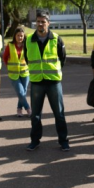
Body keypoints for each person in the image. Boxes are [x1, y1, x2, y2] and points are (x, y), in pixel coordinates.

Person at [24, 11, 70, 151]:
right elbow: (27, 58)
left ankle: (63, 141)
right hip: (37, 82)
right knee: (35, 115)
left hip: (53, 82)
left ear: (48, 23)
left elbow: (62, 59)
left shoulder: (56, 39)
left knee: (59, 114)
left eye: (43, 21)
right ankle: (35, 141)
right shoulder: (29, 39)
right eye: (38, 21)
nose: (40, 24)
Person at [3, 26, 31, 117]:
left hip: (25, 72)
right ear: (15, 36)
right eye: (18, 35)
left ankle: (19, 109)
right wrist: (9, 66)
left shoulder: (27, 46)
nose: (20, 38)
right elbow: (5, 57)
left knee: (23, 91)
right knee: (20, 92)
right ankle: (28, 108)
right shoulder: (10, 45)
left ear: (24, 37)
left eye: (21, 36)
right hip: (13, 74)